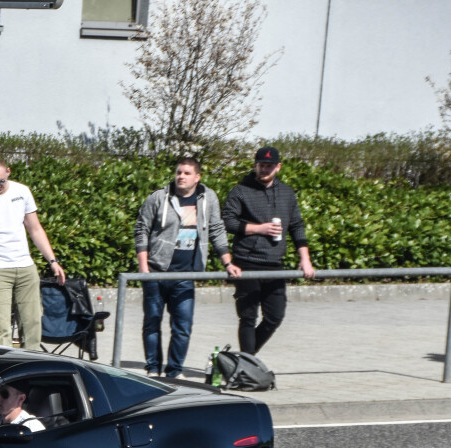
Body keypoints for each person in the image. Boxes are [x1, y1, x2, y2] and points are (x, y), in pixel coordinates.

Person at [134, 157, 242, 378]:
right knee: (152, 322)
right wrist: (143, 265)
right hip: (156, 271)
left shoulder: (208, 198)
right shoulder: (159, 197)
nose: (181, 176)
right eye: (178, 172)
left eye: (186, 173)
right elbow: (141, 229)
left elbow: (217, 230)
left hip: (186, 274)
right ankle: (153, 368)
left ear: (197, 177)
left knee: (182, 326)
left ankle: (174, 371)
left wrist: (228, 262)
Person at [0, 157, 65, 350]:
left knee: (32, 323)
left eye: (1, 181)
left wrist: (53, 261)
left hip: (25, 267)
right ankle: (1, 371)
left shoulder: (22, 192)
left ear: (8, 171)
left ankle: (33, 371)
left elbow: (35, 229)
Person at [221, 146, 315, 354]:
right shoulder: (240, 191)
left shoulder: (287, 193)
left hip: (274, 263)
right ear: (255, 166)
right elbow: (227, 221)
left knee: (275, 316)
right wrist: (258, 228)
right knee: (248, 317)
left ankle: (247, 360)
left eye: (269, 166)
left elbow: (297, 226)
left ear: (278, 167)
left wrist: (305, 258)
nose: (265, 169)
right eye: (261, 165)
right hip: (247, 261)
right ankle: (246, 364)